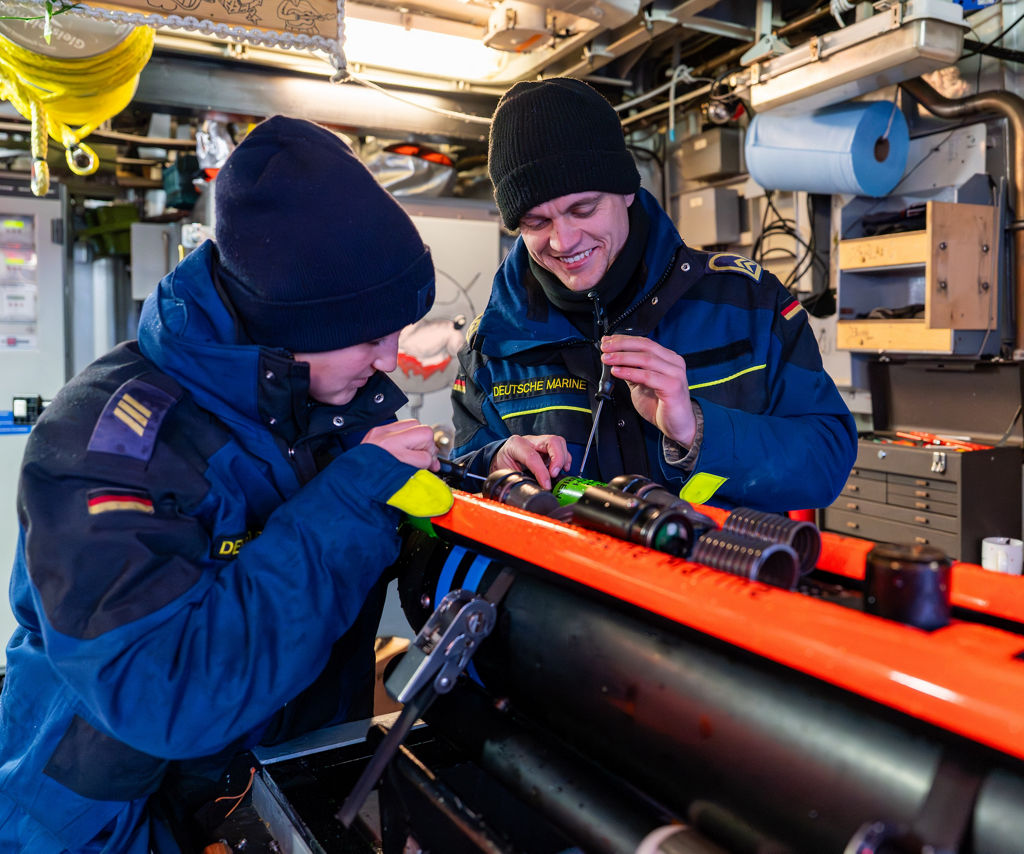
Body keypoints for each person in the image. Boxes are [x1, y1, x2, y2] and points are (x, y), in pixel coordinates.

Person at [0, 116, 451, 853]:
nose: (393, 360)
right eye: (371, 336)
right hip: (108, 824)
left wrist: (487, 472)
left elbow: (372, 539)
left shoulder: (311, 403)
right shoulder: (104, 446)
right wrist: (352, 501)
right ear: (287, 322)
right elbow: (165, 691)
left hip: (262, 802)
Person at [451, 78, 856, 510]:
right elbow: (460, 485)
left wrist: (696, 429)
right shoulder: (492, 347)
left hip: (725, 573)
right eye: (536, 222)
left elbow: (827, 459)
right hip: (562, 579)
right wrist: (495, 465)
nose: (564, 240)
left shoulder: (746, 304)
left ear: (626, 189)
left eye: (583, 209)